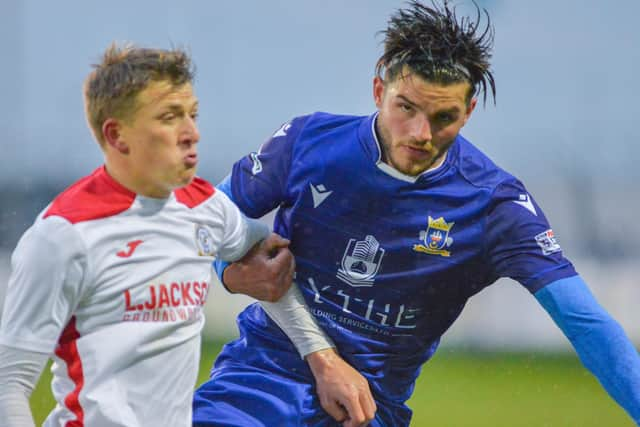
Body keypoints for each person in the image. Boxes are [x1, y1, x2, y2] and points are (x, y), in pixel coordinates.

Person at [192, 1, 640, 426]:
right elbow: (205, 220)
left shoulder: (494, 205)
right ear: (377, 90)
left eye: (442, 116)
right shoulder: (309, 143)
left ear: (468, 112)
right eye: (405, 108)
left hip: (368, 409)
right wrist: (229, 274)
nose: (420, 134)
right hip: (256, 382)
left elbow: (587, 324)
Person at [0, 43, 298, 427]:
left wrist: (319, 356)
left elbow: (270, 252)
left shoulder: (206, 208)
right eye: (170, 117)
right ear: (117, 135)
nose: (191, 133)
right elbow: (11, 384)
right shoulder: (62, 236)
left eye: (193, 115)